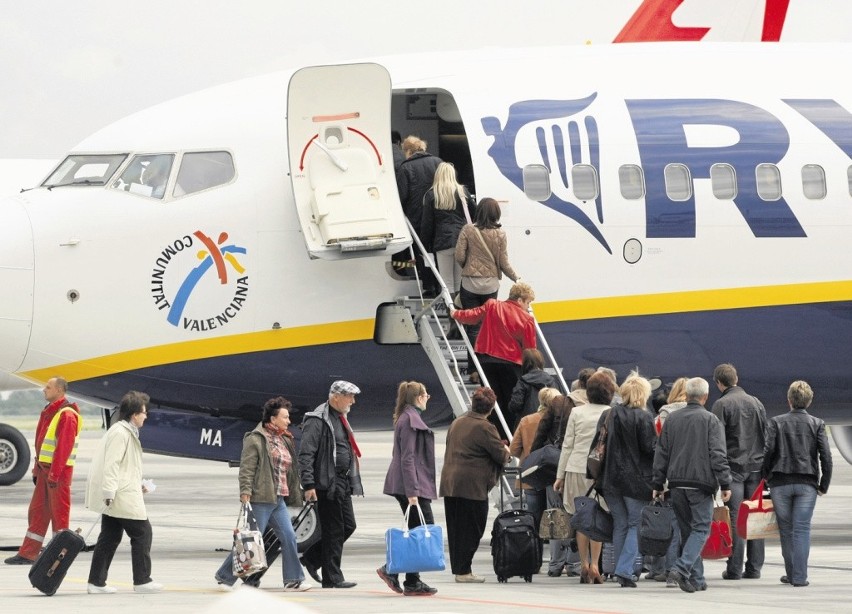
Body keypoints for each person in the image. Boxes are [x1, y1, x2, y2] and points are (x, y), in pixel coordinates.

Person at [214, 397, 309, 591]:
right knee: (250, 541)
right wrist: (245, 491)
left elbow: (291, 469)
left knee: (289, 537)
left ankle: (293, 579)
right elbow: (247, 467)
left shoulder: (285, 438)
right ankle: (225, 577)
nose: (288, 421)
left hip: (278, 499)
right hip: (261, 498)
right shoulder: (256, 438)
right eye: (285, 417)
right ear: (273, 419)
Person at [652, 377, 732, 594]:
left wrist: (658, 482)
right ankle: (681, 568)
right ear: (705, 397)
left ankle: (696, 579)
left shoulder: (673, 419)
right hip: (700, 483)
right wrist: (725, 482)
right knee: (701, 528)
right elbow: (717, 454)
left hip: (677, 483)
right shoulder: (711, 420)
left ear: (686, 395)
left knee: (689, 531)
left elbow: (662, 453)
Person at [85, 391, 162, 594]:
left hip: (120, 492)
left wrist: (139, 485)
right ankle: (142, 580)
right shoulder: (121, 433)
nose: (146, 416)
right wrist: (109, 492)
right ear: (134, 414)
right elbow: (112, 464)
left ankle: (96, 582)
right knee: (143, 533)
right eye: (144, 413)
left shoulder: (124, 431)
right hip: (119, 495)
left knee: (109, 537)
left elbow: (125, 468)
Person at [762, 380, 832, 587]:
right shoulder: (817, 424)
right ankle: (800, 577)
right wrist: (823, 484)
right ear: (809, 402)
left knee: (786, 530)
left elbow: (768, 452)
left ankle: (791, 573)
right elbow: (825, 457)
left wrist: (765, 477)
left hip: (780, 482)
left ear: (789, 400)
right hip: (807, 482)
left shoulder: (775, 422)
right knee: (802, 529)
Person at [5, 377, 82, 565]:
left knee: (59, 517)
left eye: (48, 387)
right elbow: (42, 444)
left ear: (59, 390)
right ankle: (28, 553)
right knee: (37, 512)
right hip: (44, 471)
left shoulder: (67, 415)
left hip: (57, 473)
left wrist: (54, 474)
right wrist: (36, 469)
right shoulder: (50, 411)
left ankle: (59, 556)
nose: (44, 390)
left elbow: (63, 448)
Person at [440, 387, 511, 583]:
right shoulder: (485, 427)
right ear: (491, 407)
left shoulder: (457, 421)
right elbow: (501, 454)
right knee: (474, 528)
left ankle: (460, 569)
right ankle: (464, 571)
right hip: (472, 486)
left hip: (450, 482)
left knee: (456, 528)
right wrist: (507, 450)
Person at [450, 281, 536, 438]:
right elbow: (530, 349)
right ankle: (511, 438)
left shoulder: (492, 305)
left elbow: (472, 316)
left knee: (491, 402)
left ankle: (495, 437)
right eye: (528, 302)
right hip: (512, 364)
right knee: (512, 403)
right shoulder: (527, 319)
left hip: (486, 361)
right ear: (520, 300)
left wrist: (455, 313)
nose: (528, 307)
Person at [298, 380, 363, 589]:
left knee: (348, 526)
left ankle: (312, 558)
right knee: (334, 530)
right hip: (327, 483)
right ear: (336, 397)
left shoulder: (340, 418)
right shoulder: (317, 420)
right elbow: (306, 454)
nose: (353, 401)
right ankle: (332, 577)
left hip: (342, 481)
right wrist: (309, 485)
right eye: (349, 396)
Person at [553, 371, 616, 584]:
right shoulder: (611, 412)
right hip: (599, 472)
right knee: (598, 517)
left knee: (581, 519)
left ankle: (583, 564)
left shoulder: (577, 413)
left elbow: (567, 445)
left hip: (575, 467)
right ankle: (596, 565)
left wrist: (560, 475)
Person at [376, 381, 439, 596]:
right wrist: (413, 491)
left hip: (408, 483)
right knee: (423, 529)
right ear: (419, 397)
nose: (428, 398)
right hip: (411, 485)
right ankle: (391, 570)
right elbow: (408, 459)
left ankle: (411, 580)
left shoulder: (406, 417)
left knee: (417, 531)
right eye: (426, 395)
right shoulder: (410, 420)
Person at [596, 374, 656, 588]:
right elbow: (650, 449)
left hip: (609, 479)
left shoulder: (608, 414)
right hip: (635, 480)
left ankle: (620, 568)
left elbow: (598, 445)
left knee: (620, 524)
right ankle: (625, 569)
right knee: (634, 524)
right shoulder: (644, 417)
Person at [711, 363, 768, 581]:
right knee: (754, 516)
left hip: (733, 470)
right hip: (755, 468)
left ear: (719, 383)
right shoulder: (756, 403)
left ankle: (734, 568)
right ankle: (754, 568)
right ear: (736, 378)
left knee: (734, 518)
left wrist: (720, 475)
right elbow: (765, 436)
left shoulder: (721, 405)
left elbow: (718, 443)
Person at [454, 197, 521, 364]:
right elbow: (504, 263)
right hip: (490, 286)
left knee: (473, 326)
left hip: (470, 285)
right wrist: (516, 278)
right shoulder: (500, 234)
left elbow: (459, 256)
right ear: (496, 214)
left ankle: (473, 367)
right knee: (487, 326)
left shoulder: (468, 230)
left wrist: (468, 267)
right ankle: (486, 364)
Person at [420, 162, 476, 296]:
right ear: (452, 175)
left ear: (438, 175)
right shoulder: (462, 191)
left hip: (442, 242)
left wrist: (424, 247)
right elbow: (475, 213)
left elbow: (426, 224)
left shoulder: (432, 194)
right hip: (461, 241)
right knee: (458, 281)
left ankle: (451, 314)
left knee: (446, 282)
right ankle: (460, 313)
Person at [509, 386, 561, 530]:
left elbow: (513, 449)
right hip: (553, 475)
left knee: (534, 516)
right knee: (555, 515)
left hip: (531, 474)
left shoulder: (526, 421)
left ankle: (535, 543)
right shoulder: (560, 420)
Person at [395, 135, 442, 294]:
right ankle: (440, 283)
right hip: (438, 215)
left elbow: (402, 196)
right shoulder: (438, 163)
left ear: (408, 151)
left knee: (421, 252)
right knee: (437, 250)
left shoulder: (405, 168)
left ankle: (429, 285)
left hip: (416, 218)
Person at [532, 367, 595, 451]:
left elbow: (542, 431)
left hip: (559, 453)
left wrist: (533, 454)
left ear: (579, 383)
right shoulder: (601, 407)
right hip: (586, 455)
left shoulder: (559, 402)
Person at [508, 348, 559, 429]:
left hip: (527, 424)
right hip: (547, 424)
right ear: (541, 361)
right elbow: (558, 404)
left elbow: (515, 405)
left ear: (525, 363)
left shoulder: (522, 381)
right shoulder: (552, 381)